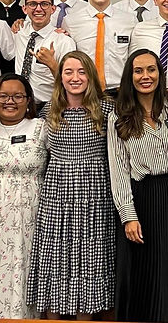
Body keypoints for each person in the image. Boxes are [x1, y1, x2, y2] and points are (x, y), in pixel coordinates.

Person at [27, 51, 116, 319]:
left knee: (89, 257)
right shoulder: (47, 110)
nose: (75, 78)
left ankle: (84, 318)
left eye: (81, 72)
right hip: (57, 193)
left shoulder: (107, 109)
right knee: (55, 255)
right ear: (60, 77)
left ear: (90, 76)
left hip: (94, 193)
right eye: (68, 72)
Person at [108, 49, 168, 322]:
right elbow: (119, 170)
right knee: (144, 273)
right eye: (138, 71)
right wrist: (128, 216)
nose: (145, 76)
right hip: (141, 199)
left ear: (160, 73)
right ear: (129, 76)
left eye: (151, 69)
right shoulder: (118, 116)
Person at [0, 73, 46, 319]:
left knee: (27, 270)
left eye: (18, 96)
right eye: (3, 96)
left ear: (28, 100)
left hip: (31, 214)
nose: (10, 101)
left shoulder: (41, 128)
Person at [62, 0, 137, 94]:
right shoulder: (70, 21)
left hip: (121, 92)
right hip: (85, 91)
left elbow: (135, 60)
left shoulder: (129, 20)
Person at [15, 0, 77, 109]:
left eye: (44, 4)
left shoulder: (63, 41)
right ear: (25, 9)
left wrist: (51, 64)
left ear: (53, 9)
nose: (38, 9)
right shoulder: (18, 32)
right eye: (32, 4)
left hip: (49, 106)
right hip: (20, 105)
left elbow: (71, 82)